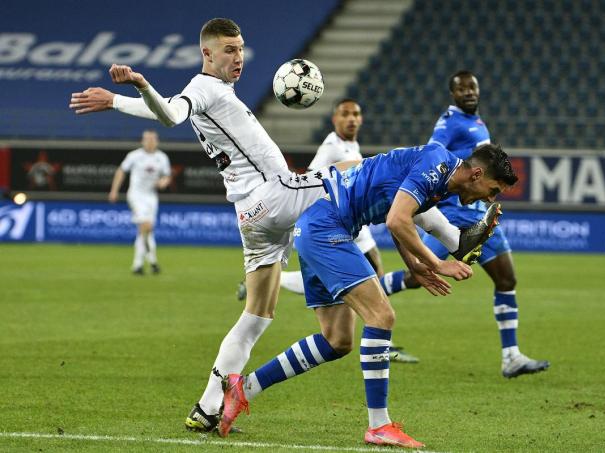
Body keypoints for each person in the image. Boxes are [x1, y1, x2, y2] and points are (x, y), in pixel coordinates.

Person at [69, 18, 337, 434]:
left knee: (257, 317)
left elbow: (169, 108)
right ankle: (448, 228)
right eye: (229, 49)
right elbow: (172, 114)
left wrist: (118, 102)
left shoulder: (211, 94)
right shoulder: (205, 87)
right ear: (207, 54)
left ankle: (208, 407)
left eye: (242, 48)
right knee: (356, 178)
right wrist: (139, 83)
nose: (239, 56)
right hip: (275, 195)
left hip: (251, 214)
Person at [218, 143, 517, 448]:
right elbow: (396, 221)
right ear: (477, 174)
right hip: (327, 227)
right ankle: (379, 425)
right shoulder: (437, 164)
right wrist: (438, 263)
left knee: (337, 339)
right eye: (493, 190)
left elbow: (400, 216)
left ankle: (243, 388)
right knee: (382, 316)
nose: (490, 199)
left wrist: (415, 264)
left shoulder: (440, 180)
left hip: (320, 226)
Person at [379, 70, 550, 378]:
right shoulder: (449, 123)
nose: (469, 92)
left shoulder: (477, 121)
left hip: (480, 214)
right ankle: (358, 293)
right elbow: (432, 154)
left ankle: (511, 356)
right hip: (456, 213)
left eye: (472, 87)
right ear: (453, 94)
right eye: (462, 89)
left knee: (506, 279)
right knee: (420, 274)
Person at [236, 98, 419, 363]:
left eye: (356, 114)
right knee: (364, 281)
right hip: (333, 218)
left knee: (373, 276)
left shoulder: (351, 144)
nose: (352, 119)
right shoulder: (331, 146)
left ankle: (378, 337)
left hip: (356, 219)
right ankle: (378, 339)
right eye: (345, 114)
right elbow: (309, 180)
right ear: (335, 119)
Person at [109, 130, 171, 274]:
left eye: (152, 139)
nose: (149, 141)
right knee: (146, 226)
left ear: (157, 141)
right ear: (142, 141)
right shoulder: (134, 156)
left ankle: (147, 263)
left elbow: (167, 176)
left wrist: (163, 182)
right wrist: (114, 191)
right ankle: (143, 263)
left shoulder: (162, 158)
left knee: (147, 231)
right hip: (136, 195)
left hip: (151, 197)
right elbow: (121, 171)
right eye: (146, 139)